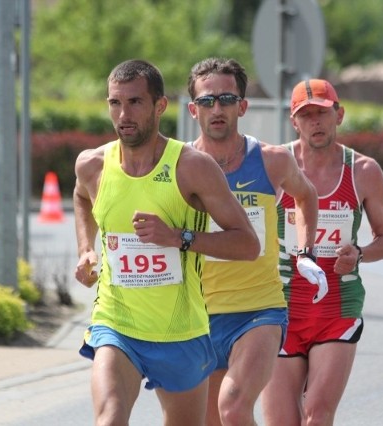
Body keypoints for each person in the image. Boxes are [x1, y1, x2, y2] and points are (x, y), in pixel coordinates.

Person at [73, 59, 260, 426]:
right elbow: (81, 197)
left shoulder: (193, 167)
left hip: (180, 332)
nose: (123, 114)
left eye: (135, 102)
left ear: (160, 106)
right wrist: (86, 248)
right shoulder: (93, 165)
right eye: (115, 103)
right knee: (108, 419)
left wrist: (179, 238)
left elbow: (247, 244)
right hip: (117, 324)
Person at [187, 57, 325, 426]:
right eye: (207, 101)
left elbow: (307, 196)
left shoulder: (271, 160)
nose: (217, 109)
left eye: (227, 99)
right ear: (192, 110)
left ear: (242, 107)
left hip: (258, 311)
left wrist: (305, 251)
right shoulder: (179, 167)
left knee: (233, 406)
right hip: (197, 316)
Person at [261, 79, 383, 426]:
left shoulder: (363, 171)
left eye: (321, 113)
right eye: (305, 115)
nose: (315, 123)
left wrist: (360, 254)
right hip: (282, 309)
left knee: (317, 415)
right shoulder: (275, 166)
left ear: (339, 114)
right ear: (294, 122)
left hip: (337, 307)